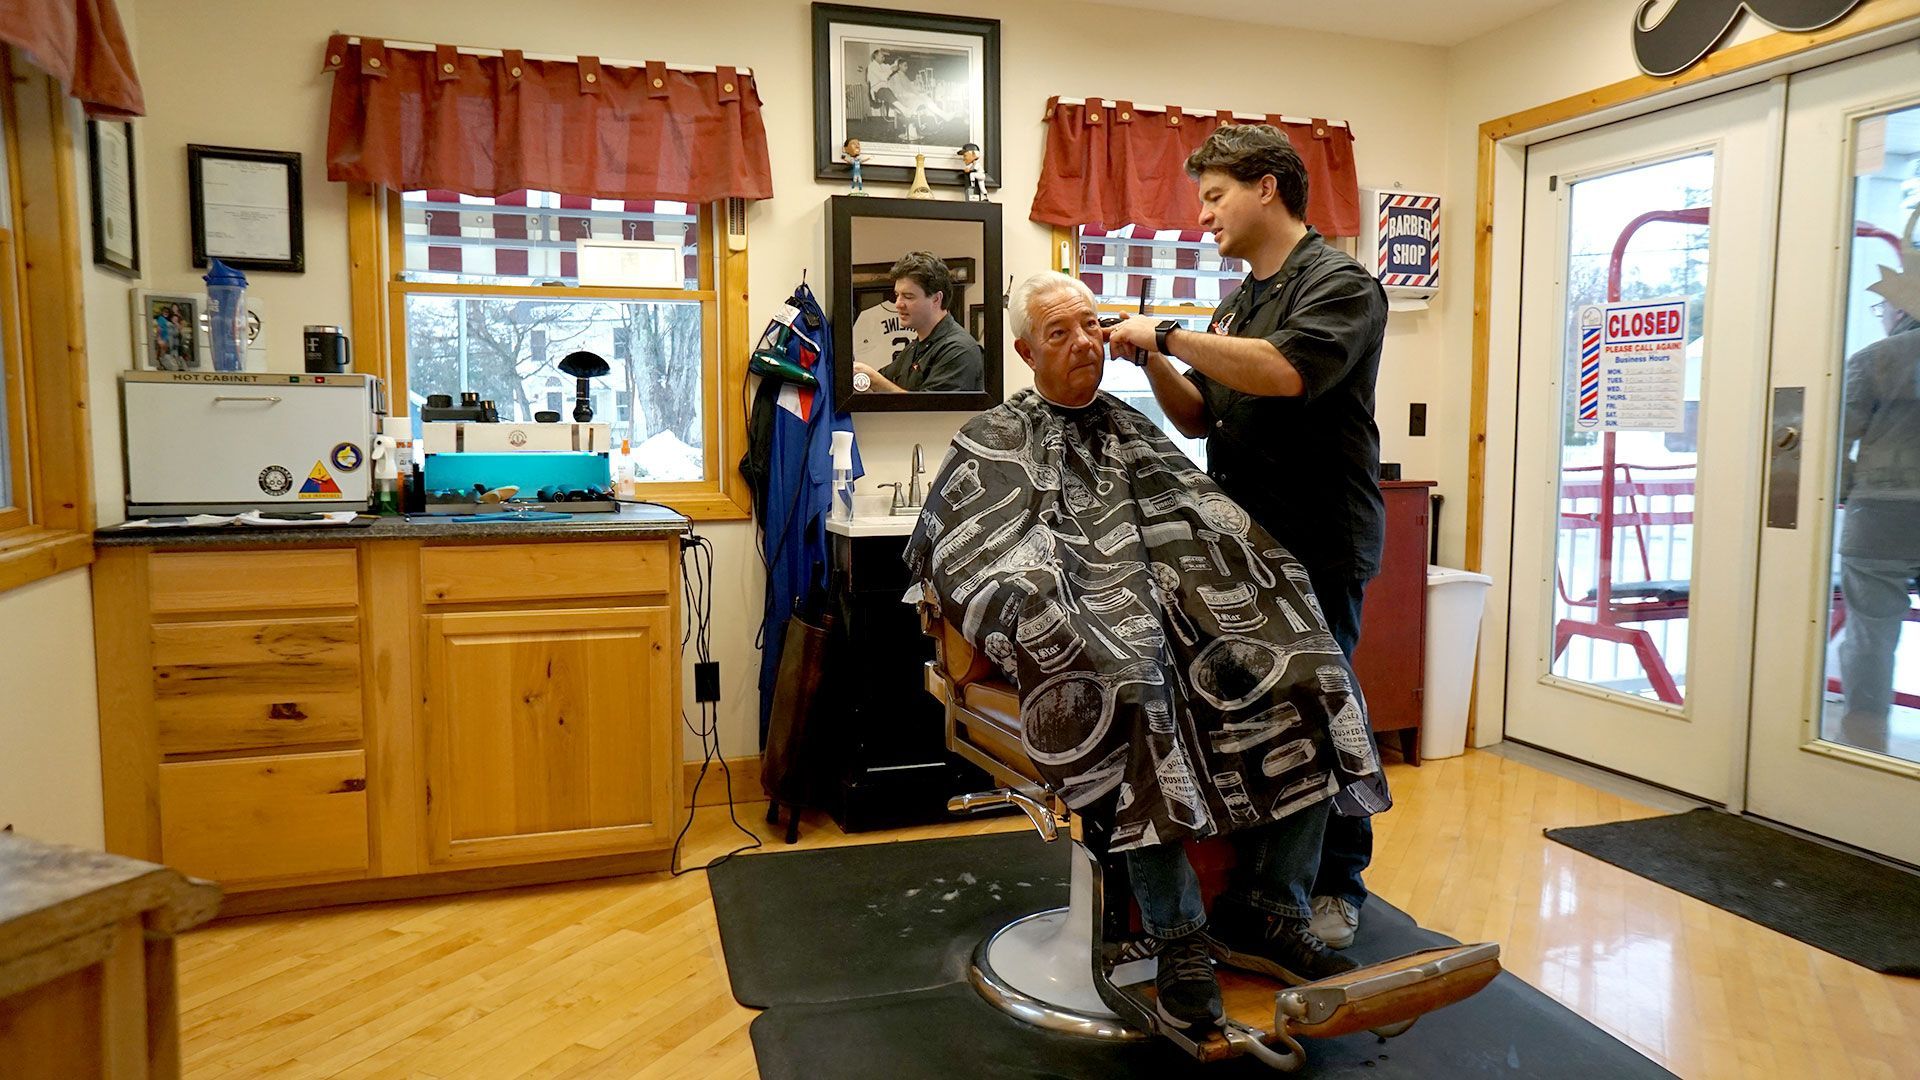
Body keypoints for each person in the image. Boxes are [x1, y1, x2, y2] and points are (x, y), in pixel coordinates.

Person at [906, 271, 1388, 1034]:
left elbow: (1202, 528)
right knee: (1136, 691)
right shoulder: (994, 438)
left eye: (1090, 326)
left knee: (1316, 674)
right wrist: (1060, 605)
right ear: (1026, 352)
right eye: (1059, 334)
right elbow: (968, 560)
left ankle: (1269, 908)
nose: (1084, 344)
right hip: (1089, 639)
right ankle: (1177, 936)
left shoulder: (1132, 427)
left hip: (1176, 623)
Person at [1108, 123, 1389, 954]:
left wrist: (1164, 333)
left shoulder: (1341, 284)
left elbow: (1284, 372)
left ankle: (1335, 884)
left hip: (1319, 539)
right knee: (1271, 715)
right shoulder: (1239, 300)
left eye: (1214, 196)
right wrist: (1152, 361)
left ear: (1267, 187)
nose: (1203, 216)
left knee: (1325, 711)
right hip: (1249, 546)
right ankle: (1264, 889)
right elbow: (1200, 416)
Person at [1836, 220, 1920, 755]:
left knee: (1871, 634)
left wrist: (1847, 489)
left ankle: (1864, 744)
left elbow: (1831, 442)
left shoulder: (1873, 361)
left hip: (1882, 514)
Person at [854, 251, 983, 392]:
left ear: (936, 299)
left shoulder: (959, 350)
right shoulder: (914, 348)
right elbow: (882, 382)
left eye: (908, 296)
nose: (898, 304)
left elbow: (930, 406)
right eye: (897, 295)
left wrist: (874, 380)